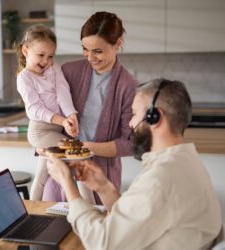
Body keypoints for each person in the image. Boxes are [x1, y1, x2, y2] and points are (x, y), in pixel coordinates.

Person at [47, 78, 222, 250]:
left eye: (135, 113)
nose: (131, 123)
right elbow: (138, 220)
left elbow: (101, 243)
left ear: (154, 117)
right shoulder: (186, 162)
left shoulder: (160, 179)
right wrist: (105, 188)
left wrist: (67, 182)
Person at [42, 11, 138, 204]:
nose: (90, 57)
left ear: (118, 43)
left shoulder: (128, 86)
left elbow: (131, 143)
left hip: (100, 179)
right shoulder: (68, 71)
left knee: (93, 231)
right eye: (85, 49)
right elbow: (45, 108)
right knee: (51, 228)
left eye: (98, 51)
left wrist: (86, 149)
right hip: (61, 172)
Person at [16, 25, 81, 200]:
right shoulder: (24, 78)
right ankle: (90, 208)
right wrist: (62, 121)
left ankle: (32, 212)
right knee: (79, 156)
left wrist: (71, 116)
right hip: (40, 131)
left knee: (41, 178)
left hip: (56, 128)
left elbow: (63, 92)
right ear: (25, 50)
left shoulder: (53, 69)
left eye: (50, 56)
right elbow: (34, 109)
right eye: (41, 55)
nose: (46, 61)